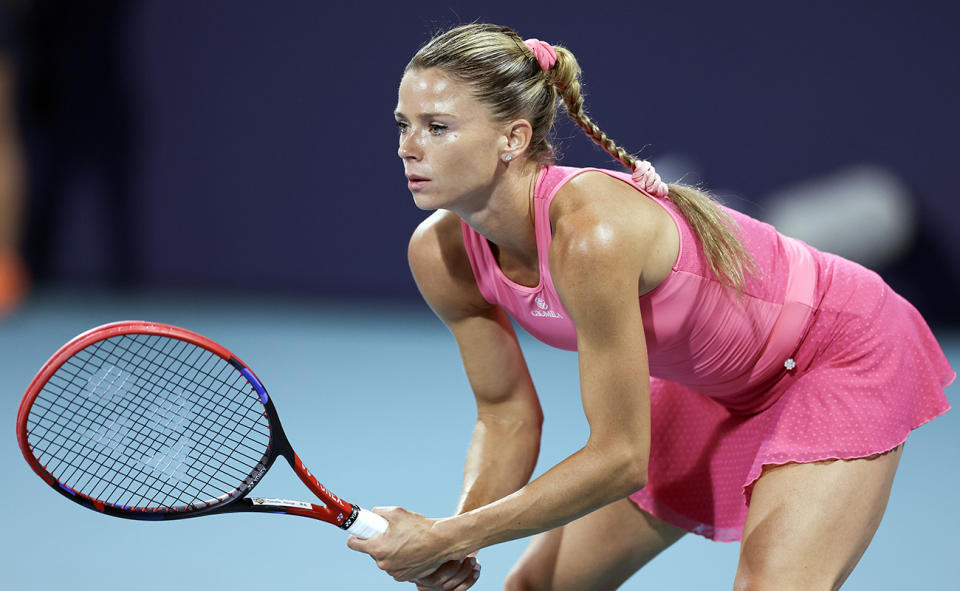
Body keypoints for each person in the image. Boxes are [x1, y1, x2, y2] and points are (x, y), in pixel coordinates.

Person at [347, 23, 954, 590]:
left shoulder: (591, 232)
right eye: (403, 124)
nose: (408, 147)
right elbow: (506, 414)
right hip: (708, 386)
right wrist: (456, 539)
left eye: (437, 127)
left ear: (514, 138)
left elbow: (619, 459)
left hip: (836, 350)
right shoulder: (440, 254)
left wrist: (448, 534)